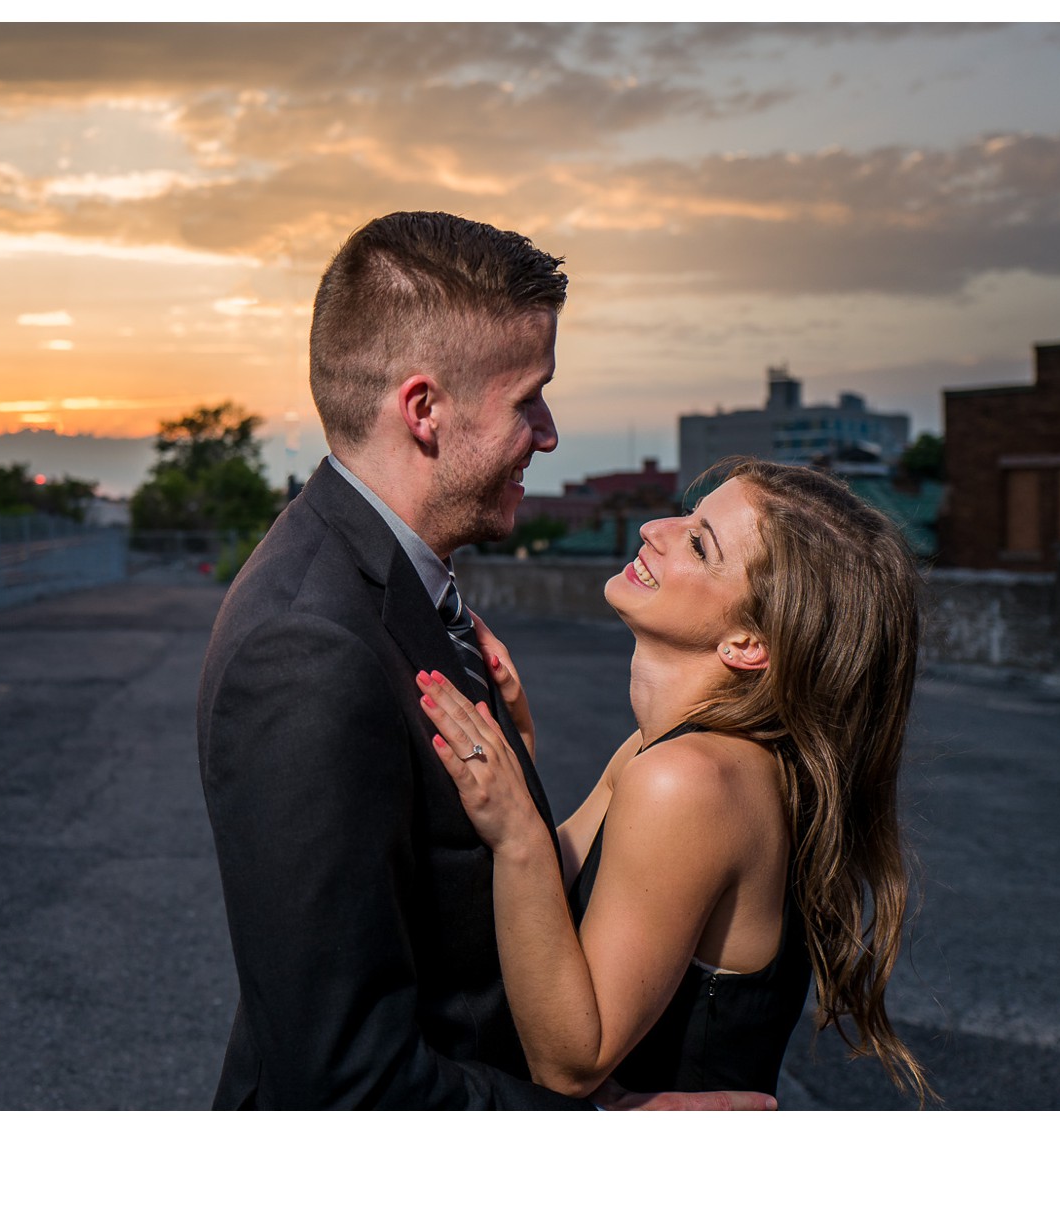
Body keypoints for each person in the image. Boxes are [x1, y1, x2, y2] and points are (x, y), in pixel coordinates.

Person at [197, 210, 773, 1110]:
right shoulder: (306, 650)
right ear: (425, 411)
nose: (546, 433)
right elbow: (342, 1082)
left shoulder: (402, 585)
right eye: (527, 398)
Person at [418, 458, 934, 1103]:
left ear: (748, 643)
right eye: (686, 515)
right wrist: (519, 756)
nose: (653, 527)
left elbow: (573, 1061)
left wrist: (519, 832)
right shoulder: (664, 751)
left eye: (698, 542)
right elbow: (541, 911)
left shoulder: (688, 780)